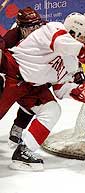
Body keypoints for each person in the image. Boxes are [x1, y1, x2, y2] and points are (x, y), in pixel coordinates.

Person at [0, 12, 85, 171]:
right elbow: (62, 43)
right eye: (83, 36)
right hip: (10, 74)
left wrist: (79, 91)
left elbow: (60, 88)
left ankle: (23, 152)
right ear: (74, 33)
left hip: (31, 87)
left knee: (52, 109)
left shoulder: (71, 62)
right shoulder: (54, 29)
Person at [0, 7, 45, 149]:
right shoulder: (14, 35)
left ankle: (18, 128)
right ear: (20, 28)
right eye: (28, 28)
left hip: (38, 76)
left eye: (36, 27)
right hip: (15, 77)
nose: (33, 31)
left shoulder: (46, 32)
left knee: (37, 100)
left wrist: (77, 75)